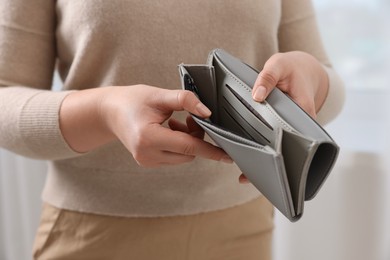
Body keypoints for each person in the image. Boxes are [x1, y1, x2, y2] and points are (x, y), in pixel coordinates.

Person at [0, 0, 345, 259]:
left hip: (241, 231)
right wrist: (105, 111)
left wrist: (312, 76)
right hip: (94, 234)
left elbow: (325, 80)